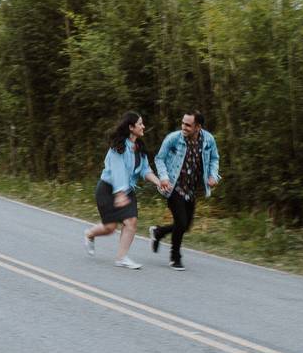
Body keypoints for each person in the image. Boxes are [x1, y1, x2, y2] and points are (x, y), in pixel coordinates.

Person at [84, 111, 163, 269]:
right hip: (107, 189)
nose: (143, 126)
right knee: (110, 228)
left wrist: (158, 182)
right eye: (140, 123)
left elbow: (145, 170)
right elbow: (117, 171)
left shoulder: (139, 147)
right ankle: (89, 234)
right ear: (131, 127)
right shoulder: (117, 147)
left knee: (131, 222)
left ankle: (121, 258)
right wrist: (120, 193)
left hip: (127, 190)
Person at [149, 110, 221, 270]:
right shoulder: (174, 139)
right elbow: (159, 158)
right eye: (183, 123)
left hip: (191, 189)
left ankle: (159, 232)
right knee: (181, 222)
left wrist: (213, 175)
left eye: (188, 125)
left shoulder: (208, 140)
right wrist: (164, 177)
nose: (183, 127)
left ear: (198, 127)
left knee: (185, 226)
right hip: (173, 187)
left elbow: (215, 158)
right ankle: (175, 257)